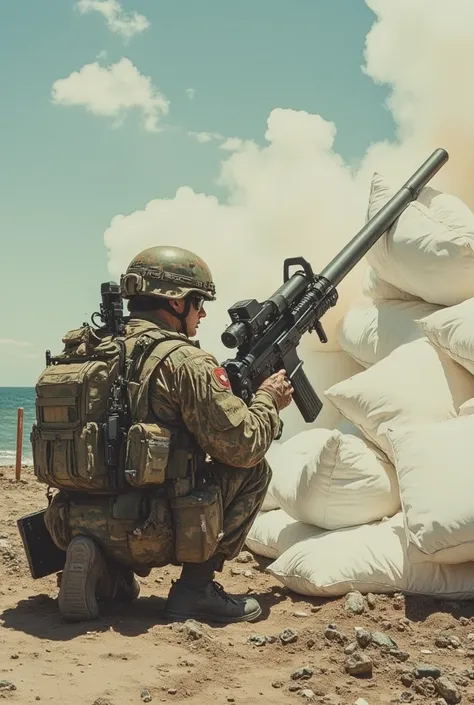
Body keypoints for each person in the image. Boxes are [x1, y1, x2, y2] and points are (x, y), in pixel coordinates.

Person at [55, 245, 294, 624]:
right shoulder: (185, 361)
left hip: (71, 522)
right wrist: (268, 399)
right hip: (148, 533)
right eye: (198, 302)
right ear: (177, 302)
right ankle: (195, 590)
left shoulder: (88, 351)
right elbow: (243, 446)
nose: (203, 313)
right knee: (253, 469)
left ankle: (106, 570)